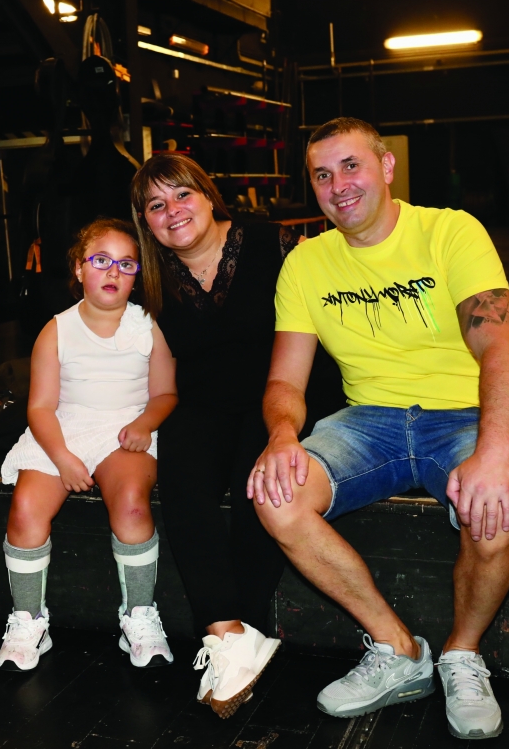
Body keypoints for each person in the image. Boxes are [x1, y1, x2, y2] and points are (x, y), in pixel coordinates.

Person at [250, 117, 509, 740]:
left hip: (462, 413)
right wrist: (282, 438)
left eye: (351, 166)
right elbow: (285, 384)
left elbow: (502, 352)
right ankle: (398, 648)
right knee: (278, 497)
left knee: (495, 508)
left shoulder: (451, 231)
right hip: (368, 420)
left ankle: (462, 653)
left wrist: (492, 454)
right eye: (322, 174)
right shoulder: (306, 262)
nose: (338, 185)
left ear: (386, 168)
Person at [130, 153, 342, 719]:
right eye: (156, 205)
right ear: (145, 222)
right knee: (181, 481)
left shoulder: (271, 243)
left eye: (182, 195)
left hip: (282, 394)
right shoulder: (150, 280)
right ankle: (225, 635)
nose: (172, 211)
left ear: (208, 195)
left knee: (260, 479)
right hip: (204, 403)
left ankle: (245, 628)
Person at [0, 219, 177, 672]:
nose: (113, 272)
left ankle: (139, 615)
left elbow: (166, 394)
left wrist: (145, 423)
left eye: (126, 264)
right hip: (62, 429)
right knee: (25, 509)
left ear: (138, 274)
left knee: (133, 504)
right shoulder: (56, 330)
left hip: (124, 430)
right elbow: (40, 407)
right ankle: (27, 620)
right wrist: (62, 458)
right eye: (101, 261)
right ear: (79, 269)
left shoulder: (147, 326)